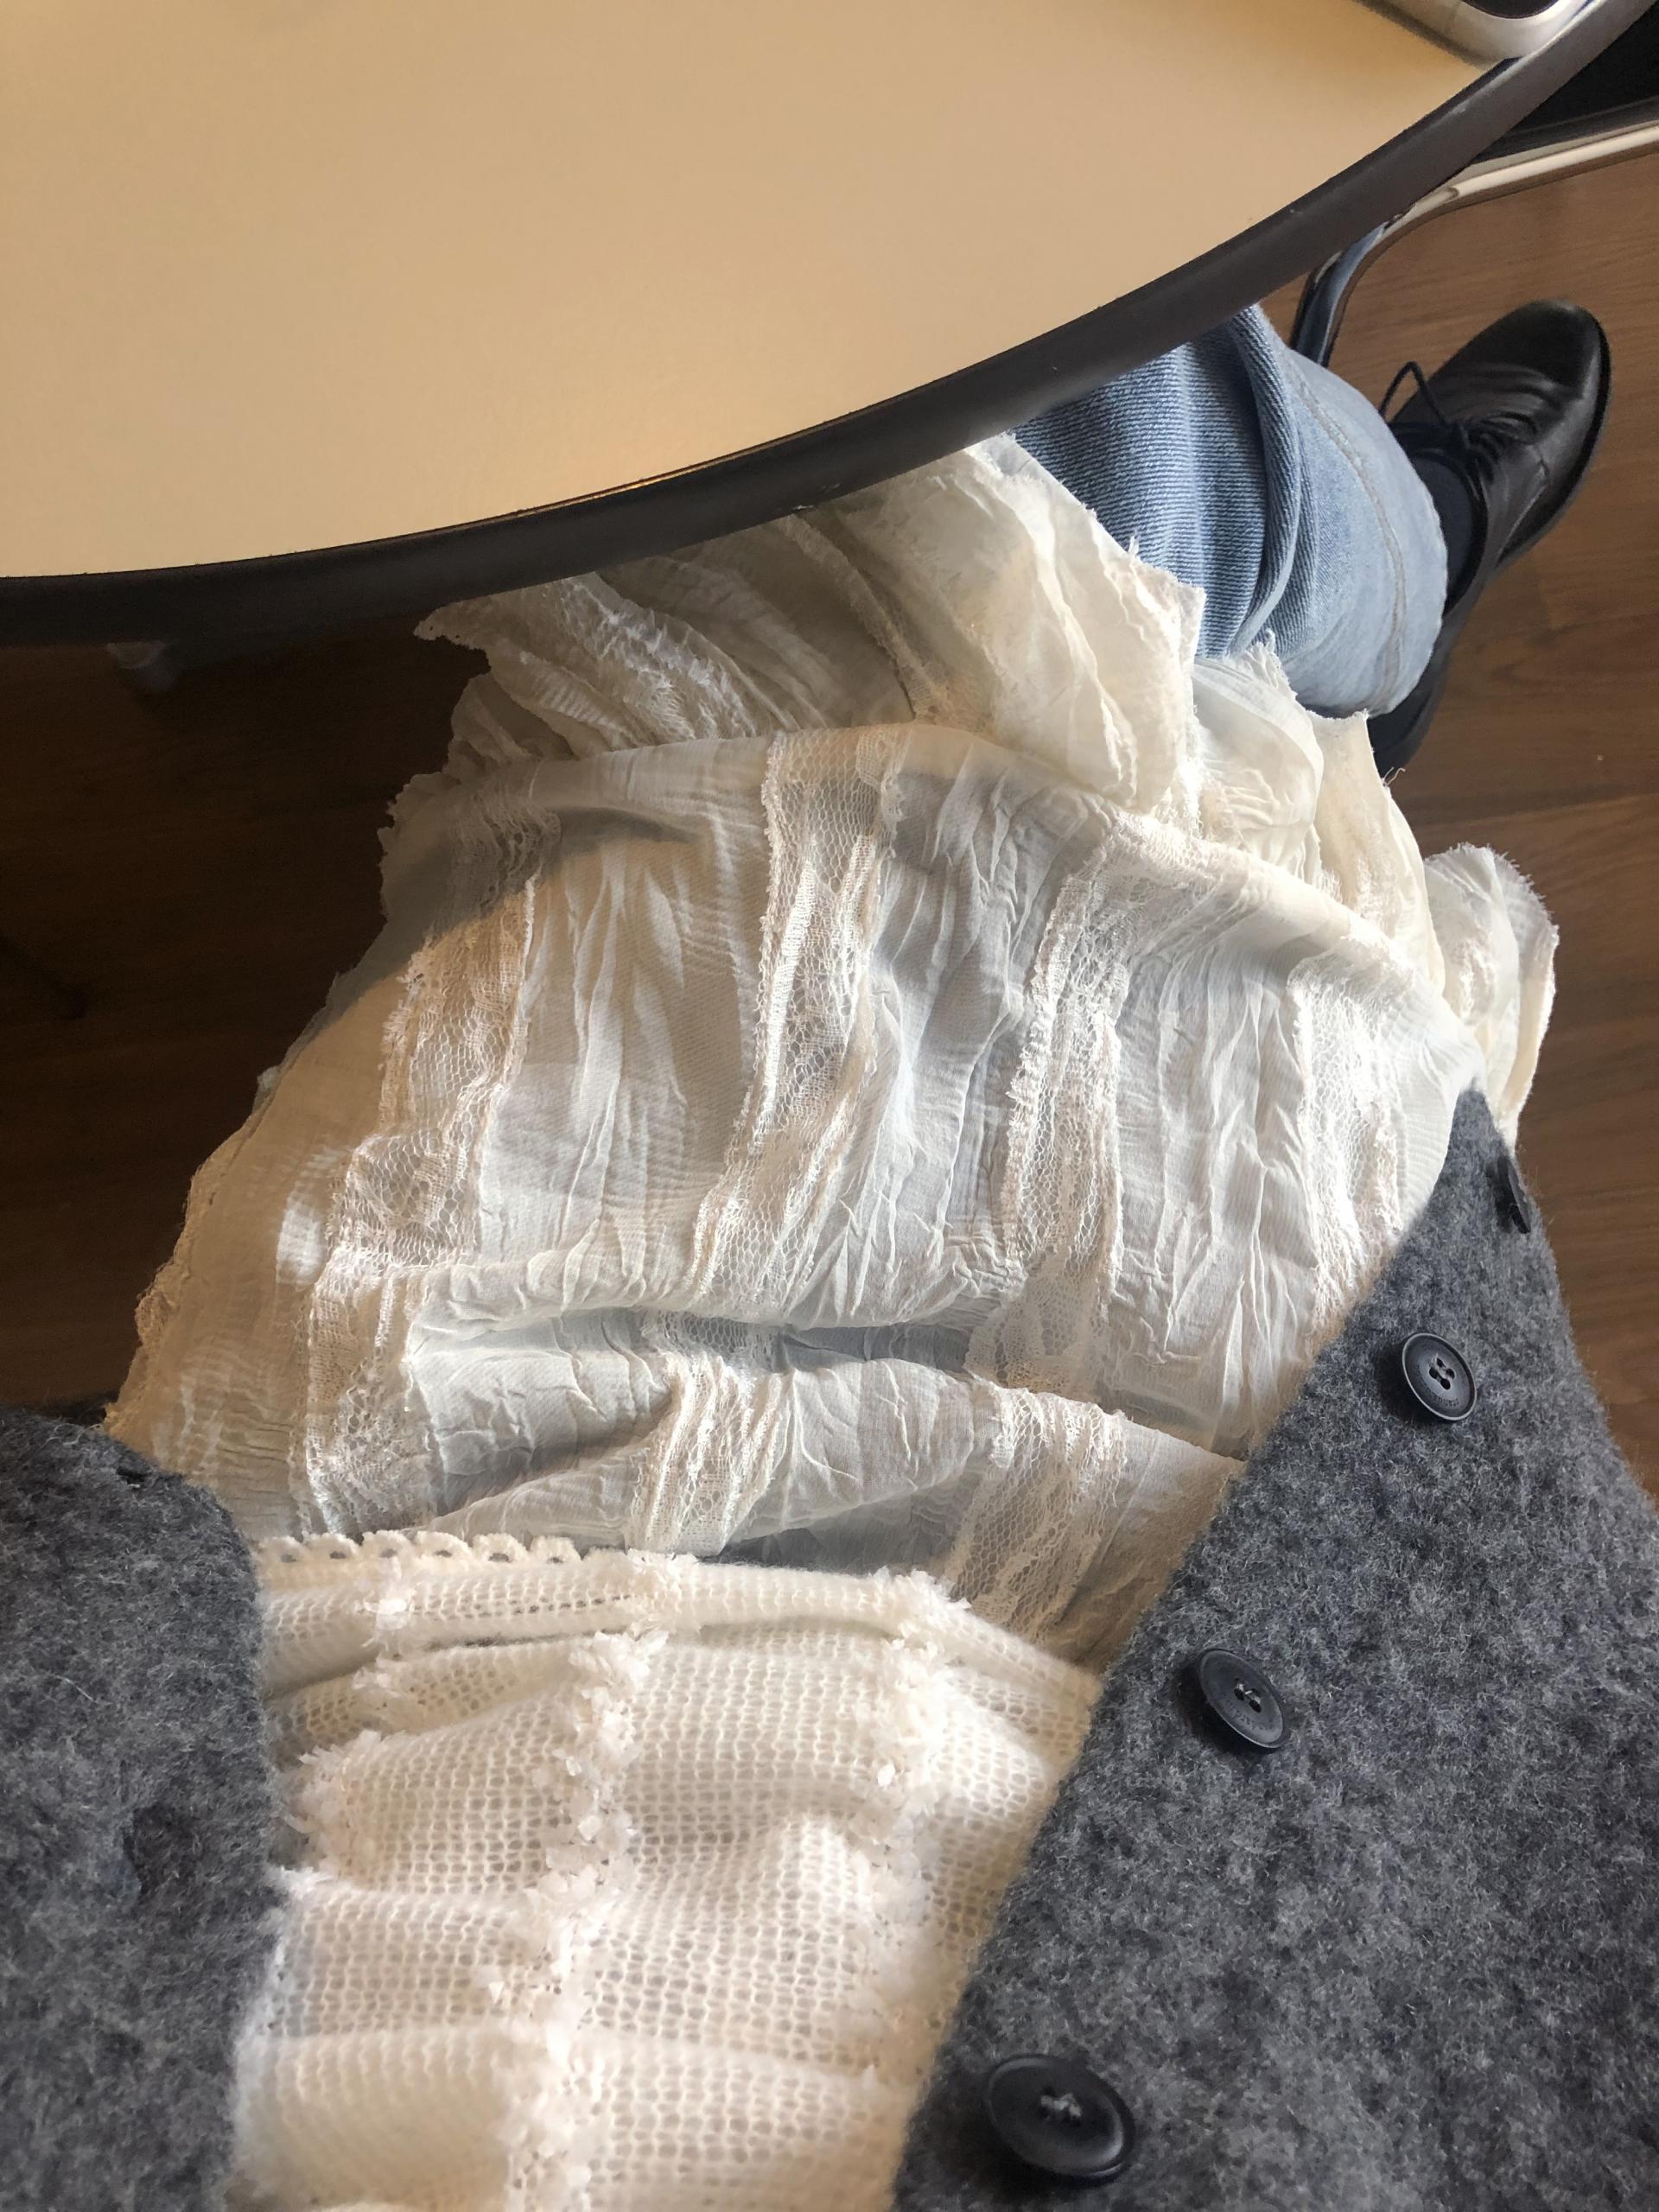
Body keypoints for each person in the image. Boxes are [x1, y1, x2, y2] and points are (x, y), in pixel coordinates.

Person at [5, 300, 1651, 2212]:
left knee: (837, 416)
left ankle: (1358, 545)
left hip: (401, 1577)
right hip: (1281, 1669)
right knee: (1056, 448)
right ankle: (1397, 556)